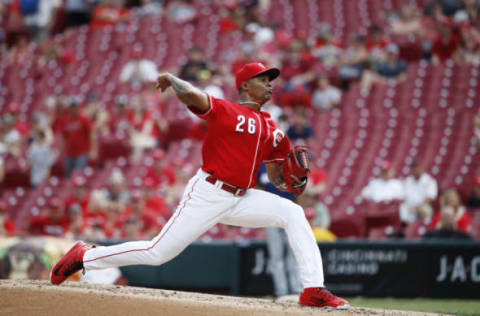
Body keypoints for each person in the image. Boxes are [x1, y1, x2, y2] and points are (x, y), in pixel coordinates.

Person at [50, 62, 349, 309]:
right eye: (262, 79)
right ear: (245, 85)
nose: (270, 84)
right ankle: (85, 256)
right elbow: (194, 96)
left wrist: (292, 181)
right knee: (158, 253)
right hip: (208, 192)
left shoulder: (274, 131)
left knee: (292, 213)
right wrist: (173, 80)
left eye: (271, 80)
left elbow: (275, 178)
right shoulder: (227, 111)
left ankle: (313, 289)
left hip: (241, 197)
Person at [257, 163, 302, 298]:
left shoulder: (289, 163)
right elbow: (258, 188)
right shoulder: (261, 166)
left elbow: (299, 189)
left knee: (293, 254)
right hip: (271, 214)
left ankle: (296, 289)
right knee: (276, 256)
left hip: (290, 213)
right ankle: (281, 291)